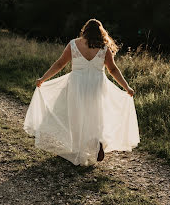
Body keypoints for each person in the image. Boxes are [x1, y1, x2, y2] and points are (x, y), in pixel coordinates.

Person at [23, 19, 140, 166]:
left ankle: (78, 150)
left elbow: (59, 64)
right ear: (101, 32)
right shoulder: (104, 47)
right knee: (96, 115)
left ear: (84, 30)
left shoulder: (74, 44)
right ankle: (97, 143)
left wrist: (43, 78)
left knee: (76, 115)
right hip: (96, 85)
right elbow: (113, 70)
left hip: (77, 84)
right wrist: (127, 87)